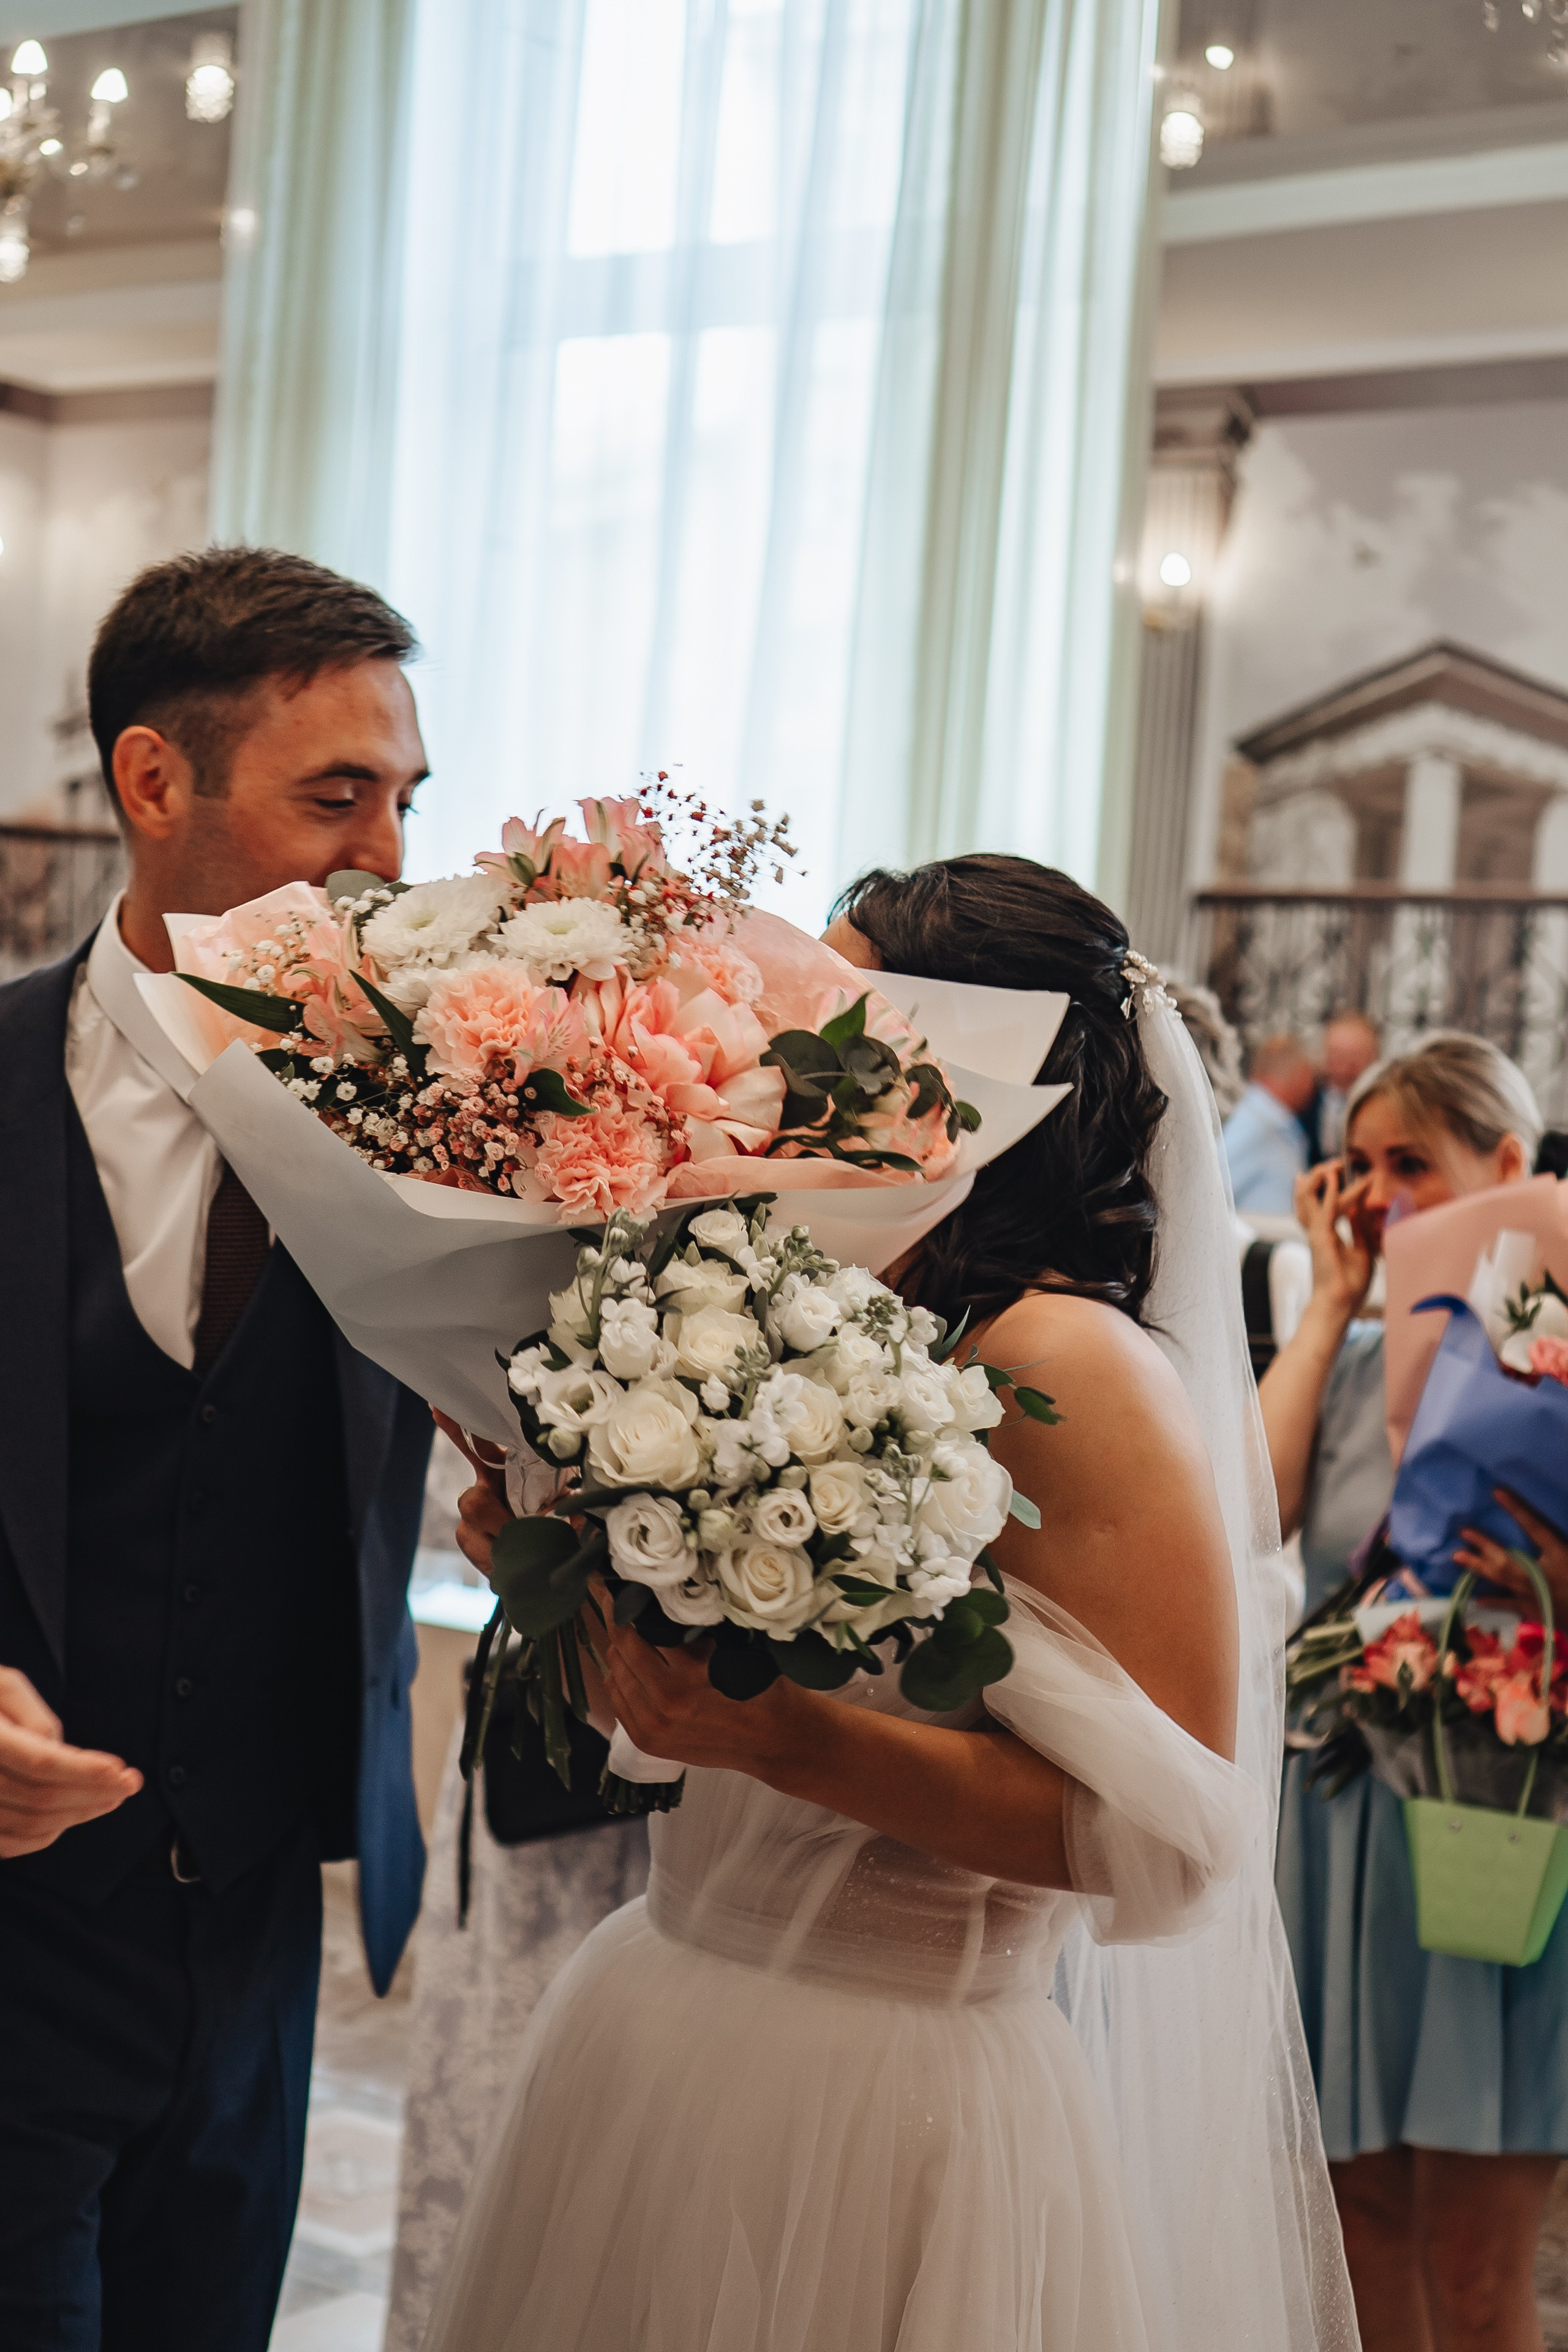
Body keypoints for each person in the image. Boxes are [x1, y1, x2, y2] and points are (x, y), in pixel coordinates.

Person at [418, 853, 1355, 2352]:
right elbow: (672, 1719)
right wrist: (560, 1567)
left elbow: (1176, 1852)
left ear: (970, 1064)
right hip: (663, 2021)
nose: (778, 1060)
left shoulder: (1073, 1365)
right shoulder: (787, 1306)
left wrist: (794, 1743)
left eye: (829, 1023)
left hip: (891, 2094)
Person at [0, 547, 435, 2352]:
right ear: (153, 780)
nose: (391, 857)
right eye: (336, 797)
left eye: (407, 796)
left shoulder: (454, 1106)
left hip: (262, 1930)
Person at [1265, 1031, 1561, 2352]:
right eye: (1361, 1165)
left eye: (1414, 1165)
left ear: (1507, 1166)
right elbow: (1248, 1515)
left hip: (1496, 1816)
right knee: (1354, 2223)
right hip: (1339, 1823)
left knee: (1476, 2259)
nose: (1381, 1195)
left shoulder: (1550, 1367)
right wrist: (1327, 1303)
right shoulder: (1337, 1359)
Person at [1223, 1033, 1317, 1214]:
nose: (1310, 1086)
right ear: (1299, 1075)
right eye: (1308, 1075)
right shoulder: (1252, 1125)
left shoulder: (1272, 1121)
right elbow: (1213, 1186)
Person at [1305, 1011, 1382, 1163]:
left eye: (1353, 1059)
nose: (1343, 1068)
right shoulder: (1303, 1101)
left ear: (1373, 1058)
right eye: (1336, 1056)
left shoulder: (1381, 1107)